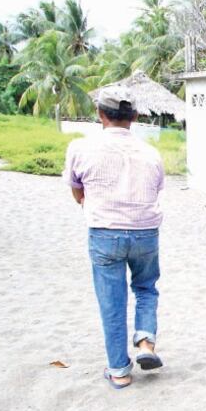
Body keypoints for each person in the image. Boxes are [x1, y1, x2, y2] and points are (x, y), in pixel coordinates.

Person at [64, 86, 166, 389]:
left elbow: (76, 189)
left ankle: (120, 371)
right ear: (134, 116)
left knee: (112, 301)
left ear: (100, 114)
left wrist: (89, 202)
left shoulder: (80, 148)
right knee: (146, 289)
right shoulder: (151, 152)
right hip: (146, 232)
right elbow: (156, 190)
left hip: (105, 232)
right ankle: (146, 343)